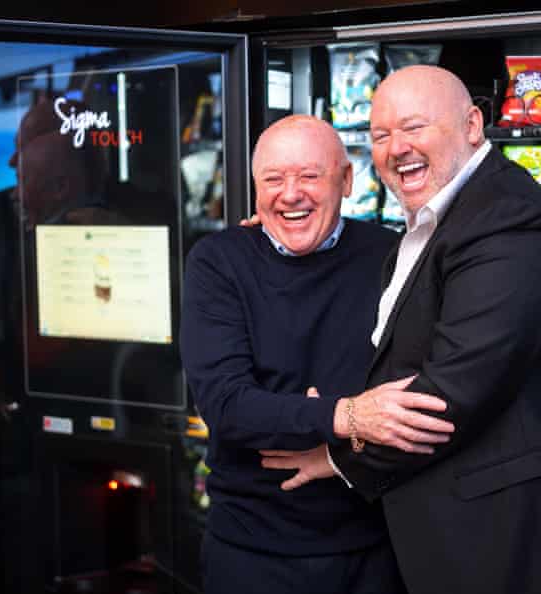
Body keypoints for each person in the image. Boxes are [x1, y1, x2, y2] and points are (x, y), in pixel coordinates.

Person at [261, 66, 541, 594]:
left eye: (414, 127)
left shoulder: (509, 219)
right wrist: (272, 230)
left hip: (510, 543)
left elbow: (450, 396)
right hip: (455, 538)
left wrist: (340, 450)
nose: (397, 147)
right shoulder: (437, 219)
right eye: (381, 136)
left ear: (473, 125)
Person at [180, 114, 455, 594]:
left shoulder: (395, 257)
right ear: (255, 188)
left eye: (310, 176)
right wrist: (347, 415)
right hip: (251, 551)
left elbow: (418, 398)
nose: (291, 194)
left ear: (347, 180)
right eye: (273, 179)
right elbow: (227, 407)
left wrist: (298, 415)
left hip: (374, 545)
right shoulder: (218, 261)